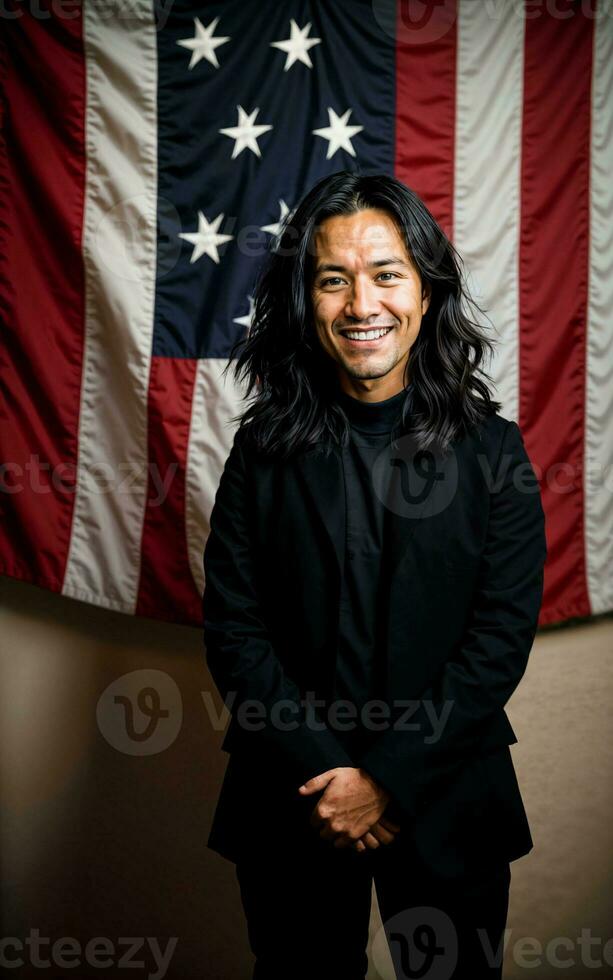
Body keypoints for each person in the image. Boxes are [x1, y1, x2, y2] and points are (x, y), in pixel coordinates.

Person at [202, 171, 547, 979]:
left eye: (386, 274)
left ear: (425, 293)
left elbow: (496, 642)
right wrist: (332, 779)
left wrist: (385, 781)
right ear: (306, 301)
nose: (362, 305)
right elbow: (234, 632)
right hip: (293, 797)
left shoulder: (494, 455)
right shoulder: (260, 453)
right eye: (334, 279)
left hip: (448, 796)